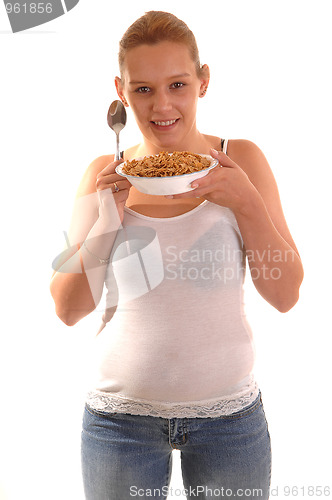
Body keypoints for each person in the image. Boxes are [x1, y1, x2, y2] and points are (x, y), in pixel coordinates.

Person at [50, 10, 304, 500]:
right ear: (120, 92)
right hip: (117, 423)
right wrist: (106, 224)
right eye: (142, 89)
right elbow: (67, 309)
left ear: (203, 82)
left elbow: (286, 294)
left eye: (178, 84)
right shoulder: (105, 173)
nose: (161, 105)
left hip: (229, 421)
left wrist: (247, 202)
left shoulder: (242, 159)